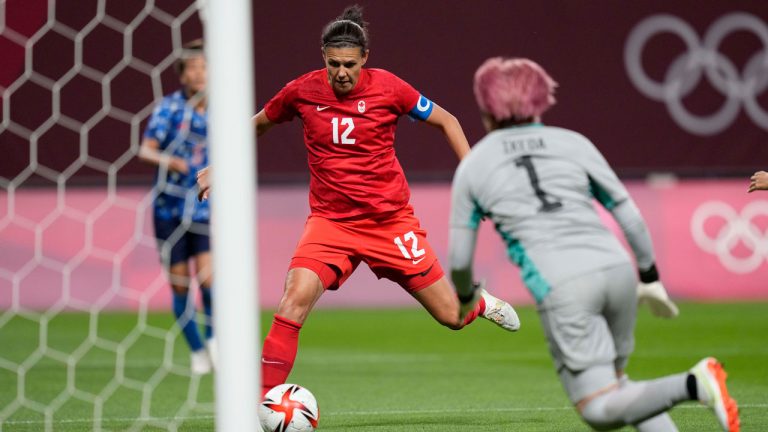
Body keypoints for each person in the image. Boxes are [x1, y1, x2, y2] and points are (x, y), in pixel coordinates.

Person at [197, 5, 520, 395]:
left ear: (365, 58)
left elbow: (447, 121)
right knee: (293, 300)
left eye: (350, 64)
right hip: (330, 224)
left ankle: (479, 303)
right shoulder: (301, 91)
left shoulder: (390, 88)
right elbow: (260, 123)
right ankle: (261, 406)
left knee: (452, 316)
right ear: (323, 57)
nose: (342, 73)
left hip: (390, 223)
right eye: (334, 64)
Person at [449, 57, 739, 431]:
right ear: (541, 99)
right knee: (619, 388)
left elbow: (459, 259)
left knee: (598, 410)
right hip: (616, 269)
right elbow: (627, 212)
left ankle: (695, 383)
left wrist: (467, 296)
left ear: (486, 108)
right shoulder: (574, 143)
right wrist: (649, 275)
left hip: (564, 285)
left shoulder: (474, 165)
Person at [139, 40, 216, 375]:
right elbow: (146, 150)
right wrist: (168, 160)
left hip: (204, 210)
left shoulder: (222, 109)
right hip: (169, 209)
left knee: (212, 281)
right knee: (181, 286)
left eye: (204, 66)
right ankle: (197, 350)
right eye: (193, 67)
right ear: (182, 75)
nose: (199, 72)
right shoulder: (169, 109)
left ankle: (214, 341)